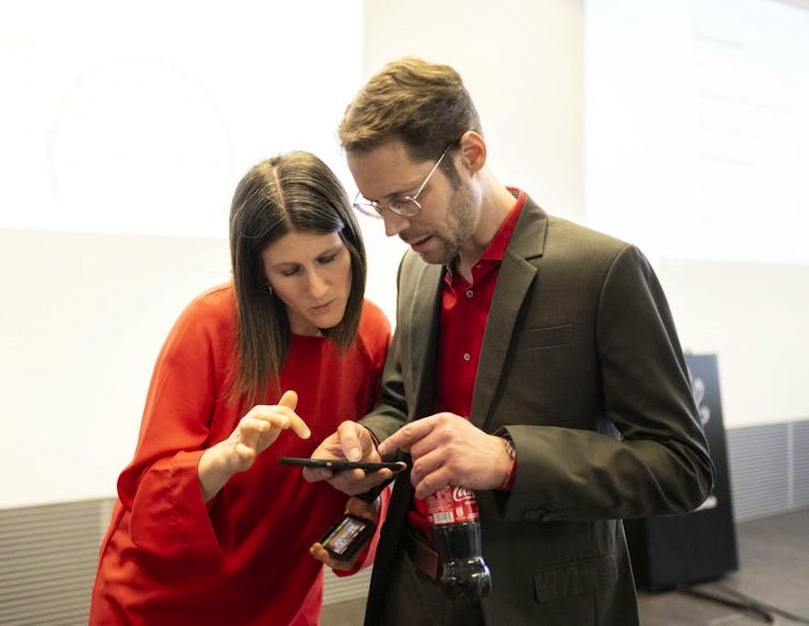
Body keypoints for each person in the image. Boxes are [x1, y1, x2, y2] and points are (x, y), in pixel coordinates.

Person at [304, 57, 715, 625]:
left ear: (470, 155)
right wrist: (367, 446)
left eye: (404, 199)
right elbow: (401, 403)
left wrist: (508, 460)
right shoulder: (418, 272)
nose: (392, 228)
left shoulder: (602, 270)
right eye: (375, 205)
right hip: (415, 591)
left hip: (545, 604)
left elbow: (681, 467)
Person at [88, 151, 393, 625]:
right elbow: (148, 498)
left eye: (328, 258)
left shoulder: (371, 333)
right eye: (289, 271)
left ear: (351, 242)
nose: (317, 288)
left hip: (281, 600)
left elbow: (374, 486)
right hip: (164, 604)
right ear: (261, 275)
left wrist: (364, 486)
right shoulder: (210, 324)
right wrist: (225, 458)